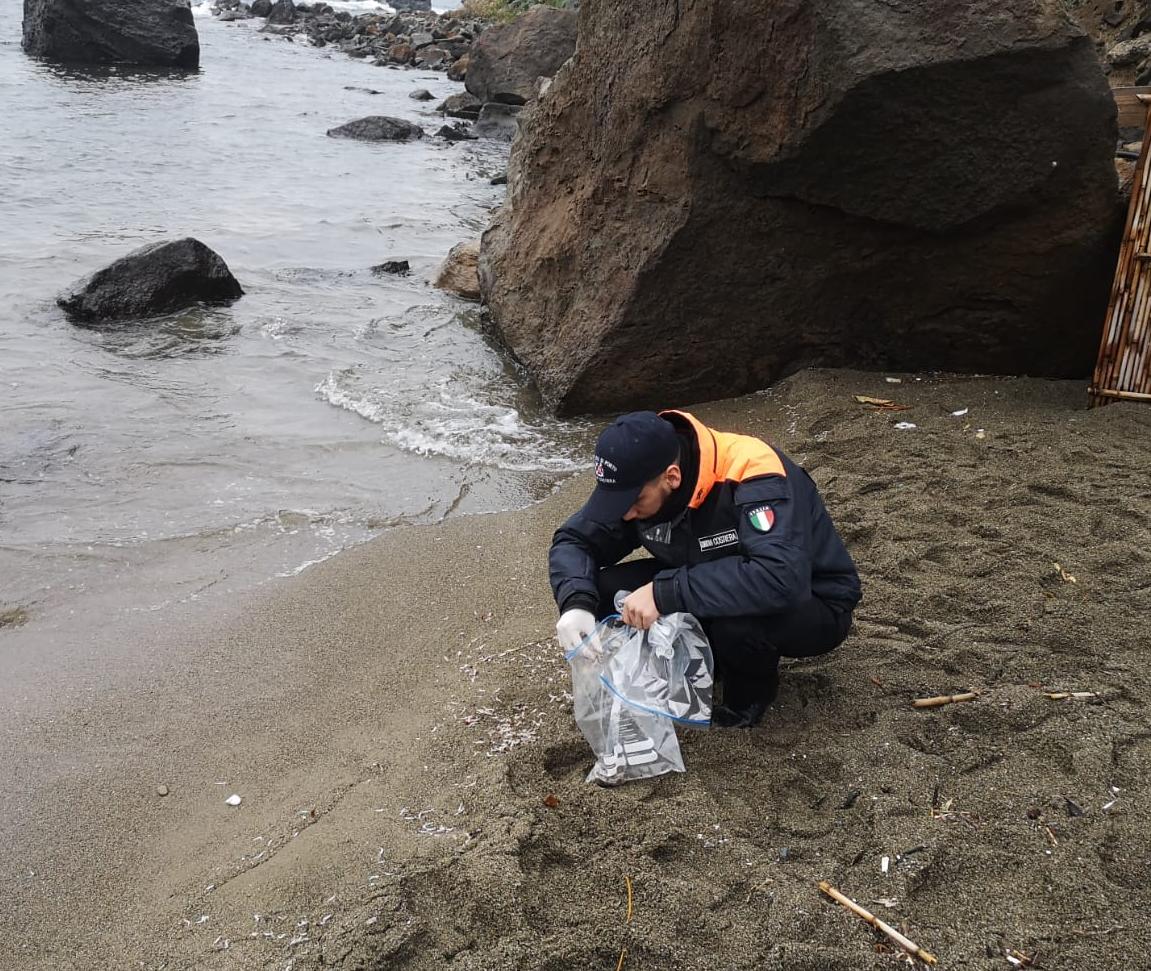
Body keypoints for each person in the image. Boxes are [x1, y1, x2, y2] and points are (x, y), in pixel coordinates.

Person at [550, 410, 861, 728]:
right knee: (603, 591)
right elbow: (574, 540)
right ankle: (695, 665)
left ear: (672, 477)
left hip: (814, 600)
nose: (625, 514)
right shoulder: (635, 480)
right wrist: (575, 603)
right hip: (703, 574)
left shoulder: (754, 472)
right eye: (616, 502)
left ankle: (748, 700)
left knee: (738, 625)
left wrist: (663, 593)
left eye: (633, 501)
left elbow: (781, 578)